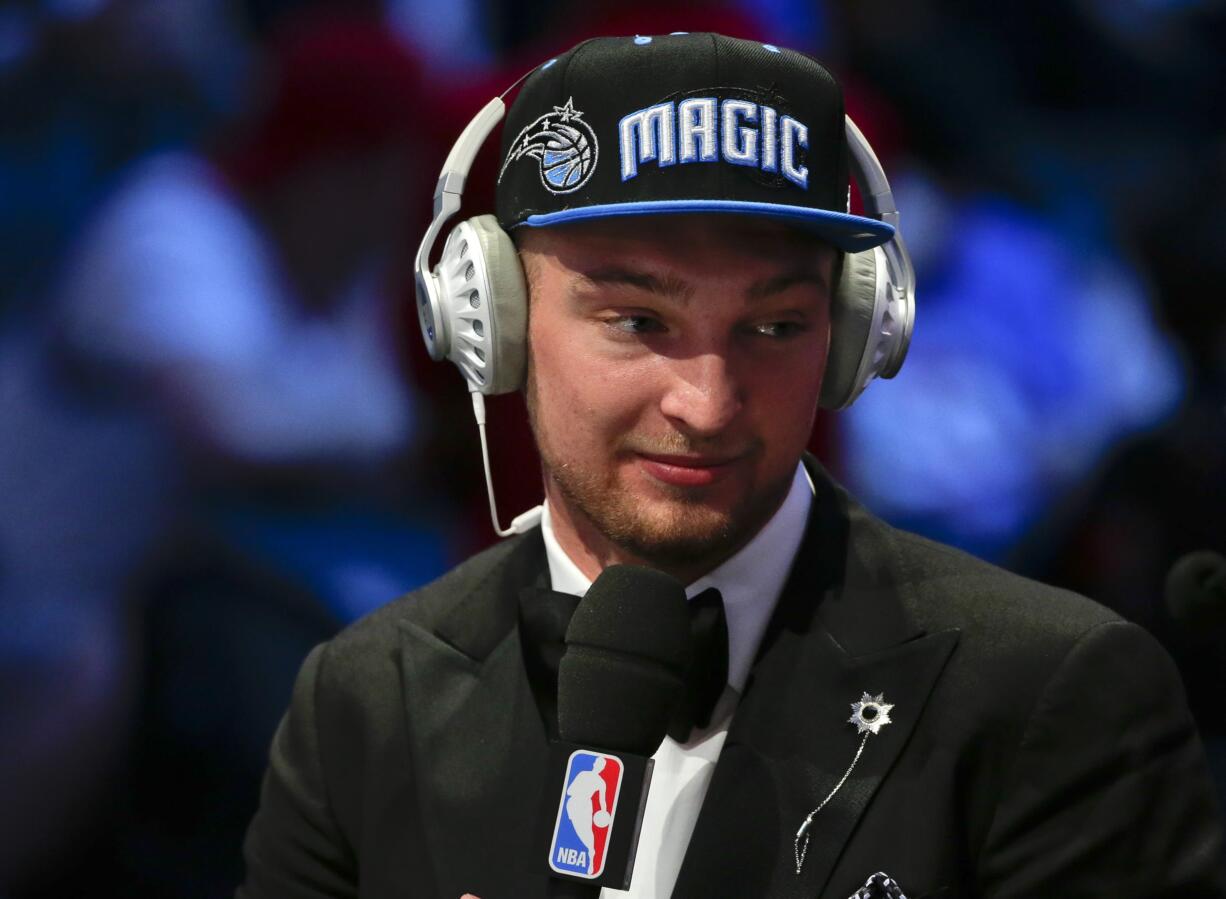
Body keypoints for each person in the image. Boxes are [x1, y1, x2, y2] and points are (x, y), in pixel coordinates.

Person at [238, 34, 1226, 898]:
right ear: (492, 327)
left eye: (771, 324)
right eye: (636, 320)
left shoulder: (1055, 692)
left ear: (850, 339)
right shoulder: (363, 698)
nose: (706, 402)